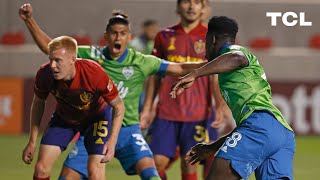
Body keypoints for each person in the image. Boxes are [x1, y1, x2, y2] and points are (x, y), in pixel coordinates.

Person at [19, 4, 207, 180]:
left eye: (122, 34)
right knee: (68, 176)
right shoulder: (91, 57)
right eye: (114, 33)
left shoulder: (141, 61)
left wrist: (215, 64)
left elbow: (179, 68)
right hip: (95, 125)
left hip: (127, 130)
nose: (118, 38)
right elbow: (52, 48)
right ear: (106, 36)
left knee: (151, 171)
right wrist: (29, 20)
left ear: (129, 37)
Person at [171, 16, 295, 180]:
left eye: (205, 41)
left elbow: (236, 58)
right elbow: (249, 128)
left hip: (261, 126)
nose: (204, 48)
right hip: (281, 132)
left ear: (212, 39)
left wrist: (195, 73)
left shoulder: (235, 52)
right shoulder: (232, 70)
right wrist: (212, 147)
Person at [141, 0, 226, 179]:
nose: (191, 7)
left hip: (198, 113)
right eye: (187, 2)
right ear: (178, 6)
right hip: (167, 112)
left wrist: (219, 105)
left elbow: (216, 76)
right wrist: (148, 108)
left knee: (190, 163)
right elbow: (154, 74)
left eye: (197, 2)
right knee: (156, 162)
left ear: (203, 8)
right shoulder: (164, 36)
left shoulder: (212, 37)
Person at [21, 36, 124, 180]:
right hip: (65, 118)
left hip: (96, 119)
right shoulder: (45, 74)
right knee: (41, 169)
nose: (52, 65)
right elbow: (38, 103)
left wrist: (112, 142)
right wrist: (32, 141)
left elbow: (119, 106)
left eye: (58, 60)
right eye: (51, 59)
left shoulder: (93, 73)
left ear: (73, 60)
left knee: (95, 173)